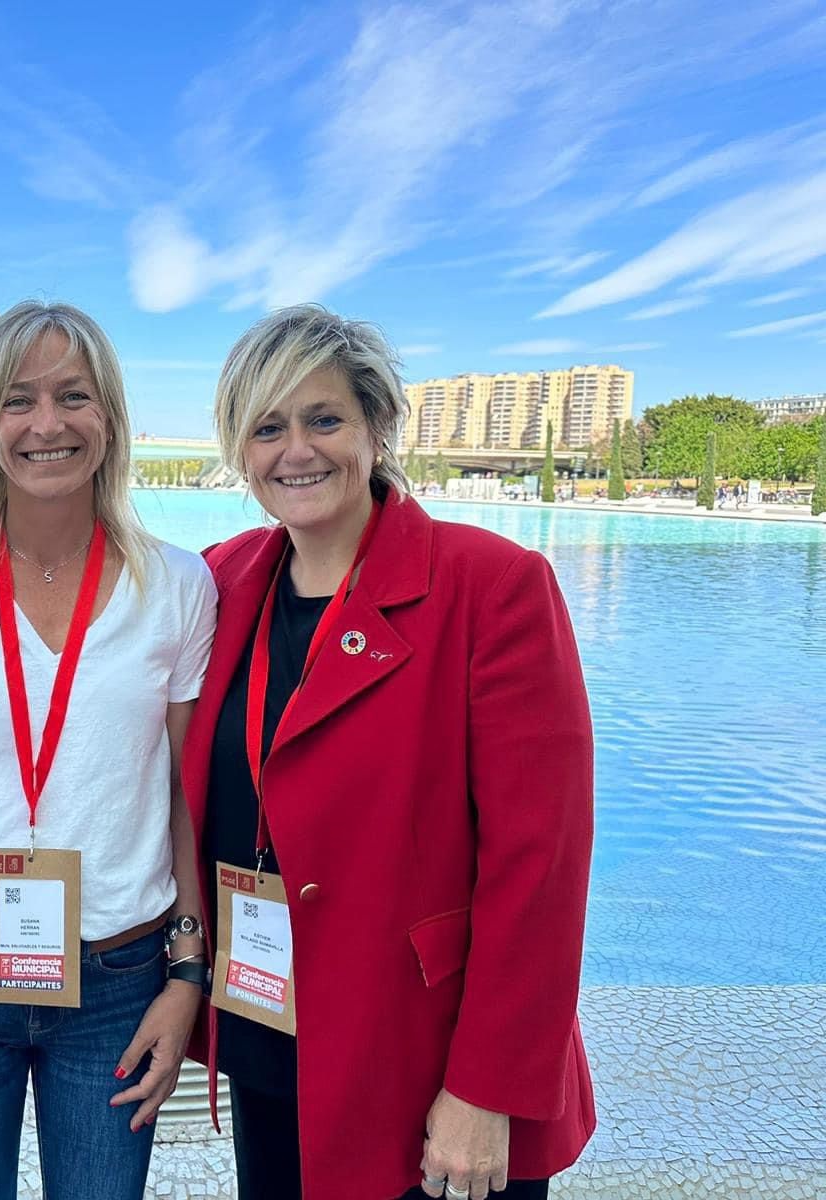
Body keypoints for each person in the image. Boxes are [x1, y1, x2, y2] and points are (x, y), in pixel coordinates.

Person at [182, 305, 595, 1200]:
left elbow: (542, 865)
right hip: (269, 1028)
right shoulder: (220, 581)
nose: (297, 450)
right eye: (267, 428)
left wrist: (487, 1087)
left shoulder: (492, 587)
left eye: (324, 418)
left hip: (425, 1057)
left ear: (376, 427)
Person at [0, 301, 217, 1200]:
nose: (47, 424)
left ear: (112, 418)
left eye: (73, 396)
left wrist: (186, 976)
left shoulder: (178, 585)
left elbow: (183, 794)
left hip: (120, 974)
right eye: (18, 400)